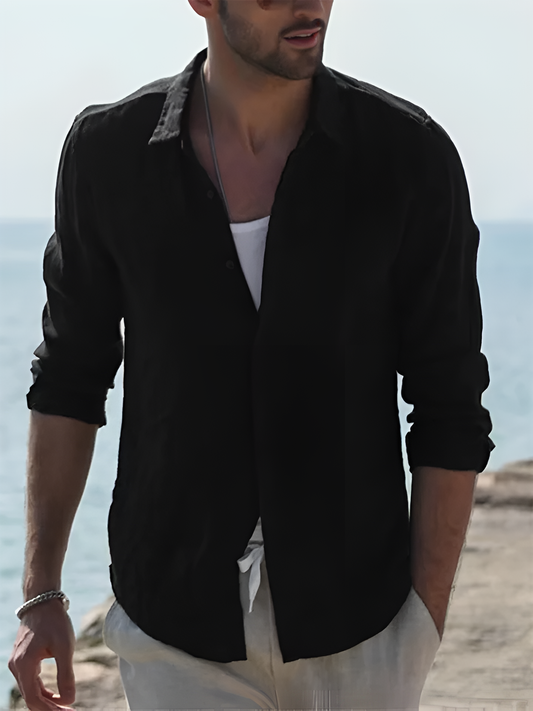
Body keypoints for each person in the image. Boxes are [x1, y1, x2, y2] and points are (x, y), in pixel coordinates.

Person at [8, 0, 494, 709]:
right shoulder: (108, 156)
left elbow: (449, 401)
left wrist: (422, 620)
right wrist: (41, 591)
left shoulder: (406, 156)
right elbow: (67, 380)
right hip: (175, 630)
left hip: (361, 629)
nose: (310, 5)